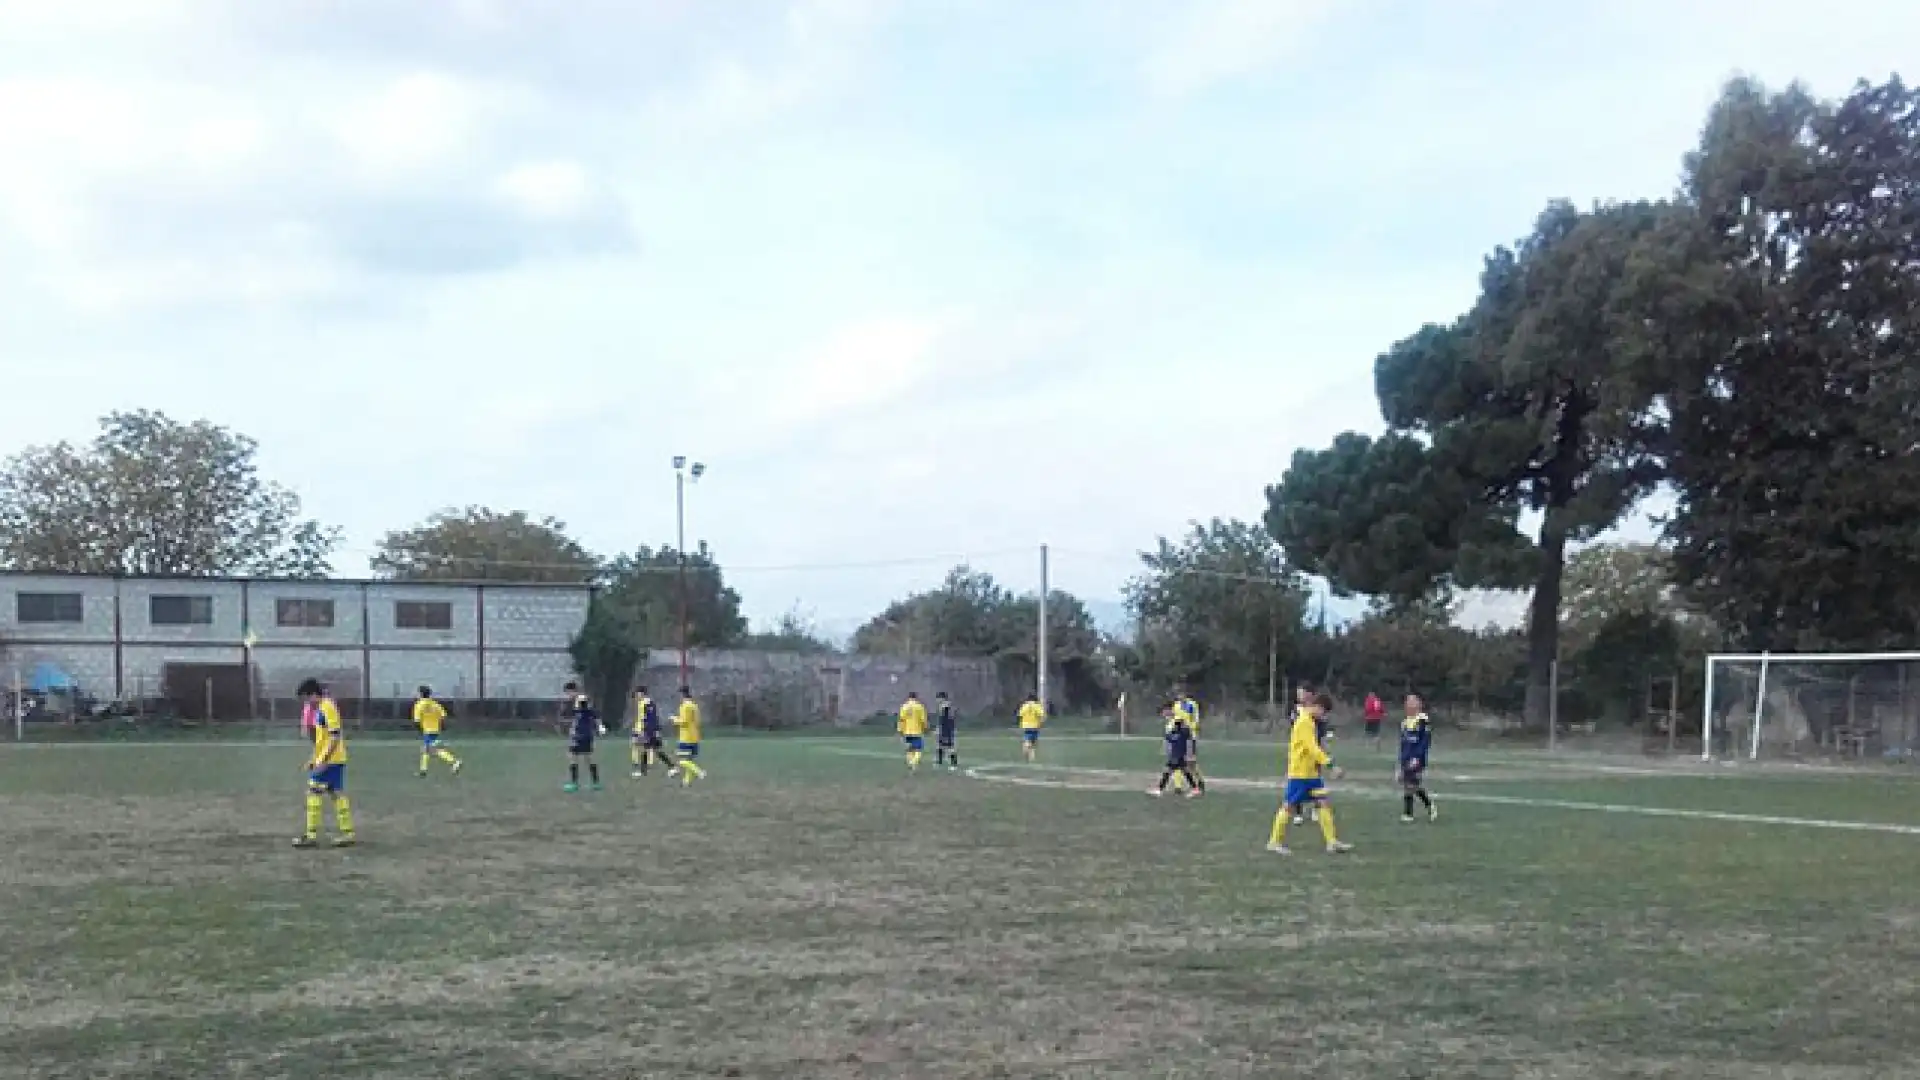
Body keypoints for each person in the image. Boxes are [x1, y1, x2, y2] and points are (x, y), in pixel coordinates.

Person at [1268, 692, 1352, 856]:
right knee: (1289, 806)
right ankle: (1274, 841)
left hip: (1311, 773)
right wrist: (1331, 764)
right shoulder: (1305, 722)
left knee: (1322, 803)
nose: (1323, 716)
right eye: (1324, 712)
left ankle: (1332, 842)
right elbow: (1312, 748)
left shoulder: (1309, 721)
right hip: (1300, 773)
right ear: (1318, 707)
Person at [293, 678, 355, 848]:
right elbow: (322, 739)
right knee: (336, 793)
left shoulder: (327, 707)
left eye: (307, 698)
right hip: (332, 758)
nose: (307, 703)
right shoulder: (321, 707)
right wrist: (314, 758)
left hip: (331, 760)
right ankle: (347, 833)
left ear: (314, 694)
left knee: (313, 791)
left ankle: (311, 835)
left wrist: (323, 760)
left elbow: (335, 736)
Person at [1149, 702, 1204, 798]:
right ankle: (1195, 789)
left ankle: (1159, 789)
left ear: (1169, 710)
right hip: (1176, 750)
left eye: (1164, 711)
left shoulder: (1177, 720)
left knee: (1169, 769)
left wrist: (1188, 750)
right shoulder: (1171, 722)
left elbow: (1185, 733)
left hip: (1179, 750)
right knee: (1184, 770)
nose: (1163, 714)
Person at [1399, 693, 1439, 823]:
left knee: (1411, 784)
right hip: (1406, 757)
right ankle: (1426, 806)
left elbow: (1425, 741)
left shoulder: (1423, 720)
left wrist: (1417, 757)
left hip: (1417, 758)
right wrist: (1401, 760)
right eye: (1407, 702)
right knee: (1408, 785)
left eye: (1411, 702)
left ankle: (1410, 812)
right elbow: (1403, 743)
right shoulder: (1405, 722)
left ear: (1418, 705)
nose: (1408, 705)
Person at [562, 682, 604, 793]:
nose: (568, 695)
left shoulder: (581, 699)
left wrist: (600, 726)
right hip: (581, 733)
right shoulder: (577, 701)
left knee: (579, 757)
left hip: (583, 734)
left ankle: (577, 784)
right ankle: (595, 783)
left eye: (568, 692)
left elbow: (593, 714)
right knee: (583, 757)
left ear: (572, 690)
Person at [413, 686, 462, 778]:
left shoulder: (419, 705)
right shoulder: (435, 704)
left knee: (433, 750)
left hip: (427, 731)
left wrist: (419, 730)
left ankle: (454, 761)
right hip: (435, 730)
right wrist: (441, 727)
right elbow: (443, 716)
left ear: (421, 694)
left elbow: (417, 720)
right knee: (426, 750)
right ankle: (423, 771)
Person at [630, 685, 674, 779]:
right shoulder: (641, 703)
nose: (637, 695)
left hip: (649, 731)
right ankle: (644, 771)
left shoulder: (648, 703)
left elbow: (652, 718)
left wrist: (651, 730)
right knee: (650, 750)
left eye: (638, 693)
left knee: (652, 750)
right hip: (646, 730)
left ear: (642, 693)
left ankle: (672, 767)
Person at [669, 686, 709, 786]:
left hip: (686, 737)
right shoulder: (695, 706)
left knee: (681, 759)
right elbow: (698, 721)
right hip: (695, 736)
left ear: (682, 695)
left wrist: (674, 719)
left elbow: (684, 722)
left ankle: (699, 772)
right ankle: (686, 782)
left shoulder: (684, 706)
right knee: (689, 760)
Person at [1173, 688, 1203, 791]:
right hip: (1180, 737)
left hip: (1190, 736)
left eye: (1181, 694)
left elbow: (1196, 721)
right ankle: (1178, 786)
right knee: (1177, 760)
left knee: (1190, 763)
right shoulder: (1176, 705)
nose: (1179, 697)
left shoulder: (1192, 705)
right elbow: (1175, 720)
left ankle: (1200, 781)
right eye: (1178, 695)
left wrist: (1189, 729)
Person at [898, 692, 929, 771]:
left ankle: (911, 762)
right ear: (916, 697)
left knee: (909, 749)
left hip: (907, 731)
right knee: (918, 749)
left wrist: (900, 730)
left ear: (909, 697)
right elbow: (923, 720)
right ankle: (913, 763)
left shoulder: (904, 707)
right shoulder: (920, 706)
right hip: (917, 731)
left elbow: (901, 720)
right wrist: (925, 728)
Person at [934, 691, 960, 770]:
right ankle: (939, 762)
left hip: (947, 729)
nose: (937, 700)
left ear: (942, 698)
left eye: (938, 698)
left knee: (950, 747)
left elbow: (945, 719)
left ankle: (953, 764)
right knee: (940, 746)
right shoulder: (946, 705)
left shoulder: (945, 706)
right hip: (946, 728)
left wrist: (939, 728)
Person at [1017, 693, 1045, 762]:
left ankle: (1028, 752)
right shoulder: (1037, 706)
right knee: (1033, 741)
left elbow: (1020, 715)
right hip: (1035, 725)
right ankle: (1031, 756)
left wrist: (1020, 724)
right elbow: (1041, 715)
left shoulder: (1024, 706)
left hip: (1026, 725)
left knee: (1027, 738)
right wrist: (1041, 723)